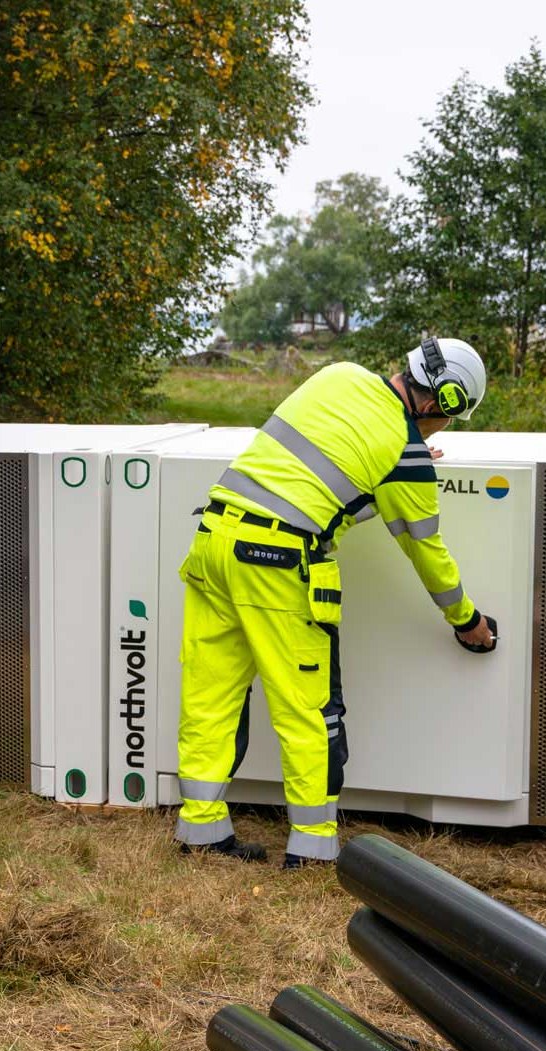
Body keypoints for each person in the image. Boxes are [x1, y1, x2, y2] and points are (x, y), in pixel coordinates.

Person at [175, 339, 497, 866]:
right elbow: (427, 553)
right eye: (450, 418)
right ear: (445, 399)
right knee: (307, 708)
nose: (443, 430)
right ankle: (312, 848)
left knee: (210, 696)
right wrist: (467, 621)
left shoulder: (338, 375)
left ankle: (202, 832)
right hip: (278, 565)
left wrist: (404, 462)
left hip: (214, 541)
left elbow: (319, 472)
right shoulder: (405, 453)